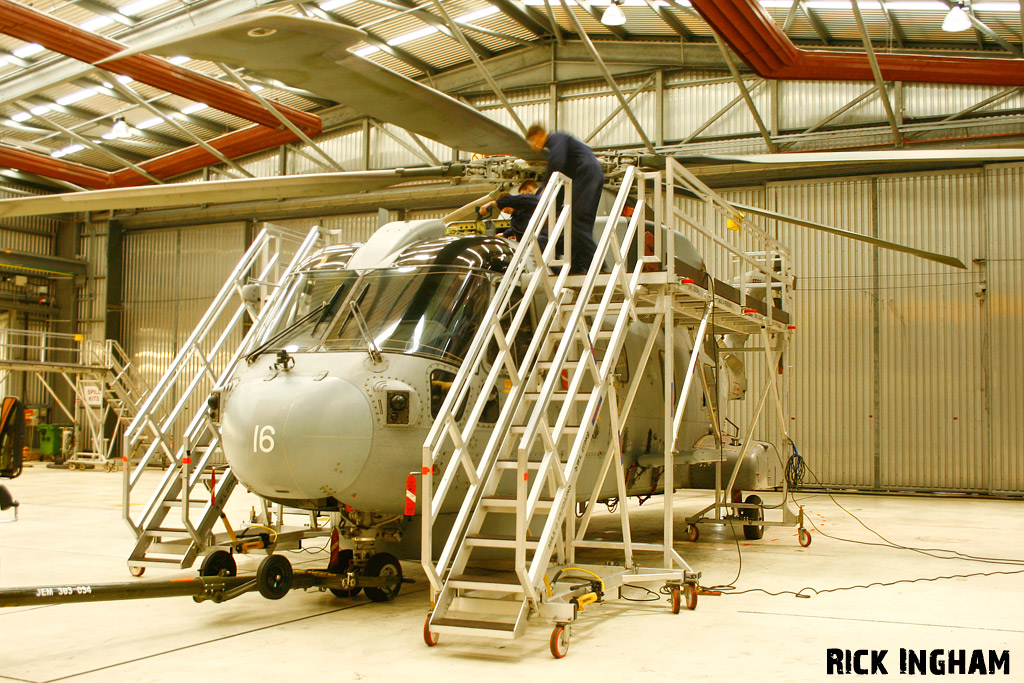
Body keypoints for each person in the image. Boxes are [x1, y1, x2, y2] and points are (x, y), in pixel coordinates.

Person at [526, 123, 604, 275]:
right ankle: (576, 266)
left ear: (539, 135)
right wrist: (553, 209)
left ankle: (599, 267)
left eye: (533, 142)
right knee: (575, 224)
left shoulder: (557, 138)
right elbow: (562, 180)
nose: (534, 147)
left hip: (586, 174)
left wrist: (546, 188)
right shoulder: (562, 145)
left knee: (576, 223)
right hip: (589, 175)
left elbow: (557, 162)